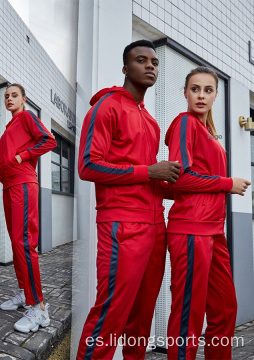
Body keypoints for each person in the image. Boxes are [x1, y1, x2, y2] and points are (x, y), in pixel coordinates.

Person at [76, 40, 181, 359]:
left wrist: (177, 186)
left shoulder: (151, 122)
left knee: (141, 319)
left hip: (155, 228)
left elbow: (147, 179)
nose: (151, 66)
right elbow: (87, 166)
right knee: (110, 315)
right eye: (141, 60)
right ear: (125, 68)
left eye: (154, 62)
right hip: (122, 226)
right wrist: (150, 171)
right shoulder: (106, 106)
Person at [165, 66, 251, 359]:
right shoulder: (184, 124)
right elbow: (181, 176)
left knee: (225, 308)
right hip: (190, 229)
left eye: (208, 90)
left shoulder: (209, 132)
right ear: (186, 92)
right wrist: (227, 183)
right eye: (195, 89)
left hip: (214, 231)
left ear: (216, 95)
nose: (201, 95)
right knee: (188, 315)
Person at [0, 83, 56, 333]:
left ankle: (39, 307)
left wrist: (23, 156)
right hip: (10, 186)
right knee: (16, 242)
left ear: (24, 99)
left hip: (22, 183)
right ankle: (23, 293)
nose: (9, 99)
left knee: (24, 243)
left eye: (14, 95)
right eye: (6, 96)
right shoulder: (11, 125)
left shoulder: (27, 116)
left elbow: (49, 141)